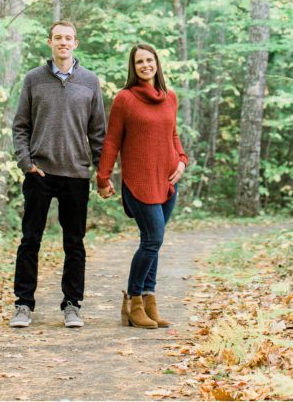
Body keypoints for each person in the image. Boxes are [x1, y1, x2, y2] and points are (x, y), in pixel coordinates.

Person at [10, 19, 106, 329]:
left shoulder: (90, 82)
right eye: (57, 38)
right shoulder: (33, 80)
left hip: (76, 175)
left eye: (68, 38)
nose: (63, 42)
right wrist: (27, 163)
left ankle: (72, 304)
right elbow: (20, 126)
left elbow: (98, 132)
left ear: (76, 43)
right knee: (30, 240)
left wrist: (101, 173)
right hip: (40, 171)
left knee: (74, 243)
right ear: (50, 42)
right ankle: (24, 304)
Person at [96, 43, 188, 329]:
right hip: (139, 182)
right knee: (152, 240)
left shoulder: (169, 96)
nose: (145, 65)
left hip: (167, 181)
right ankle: (133, 301)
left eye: (149, 60)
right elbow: (112, 140)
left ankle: (149, 301)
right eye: (139, 62)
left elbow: (172, 133)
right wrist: (103, 176)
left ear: (157, 63)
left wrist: (182, 161)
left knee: (154, 243)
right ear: (133, 67)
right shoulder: (124, 99)